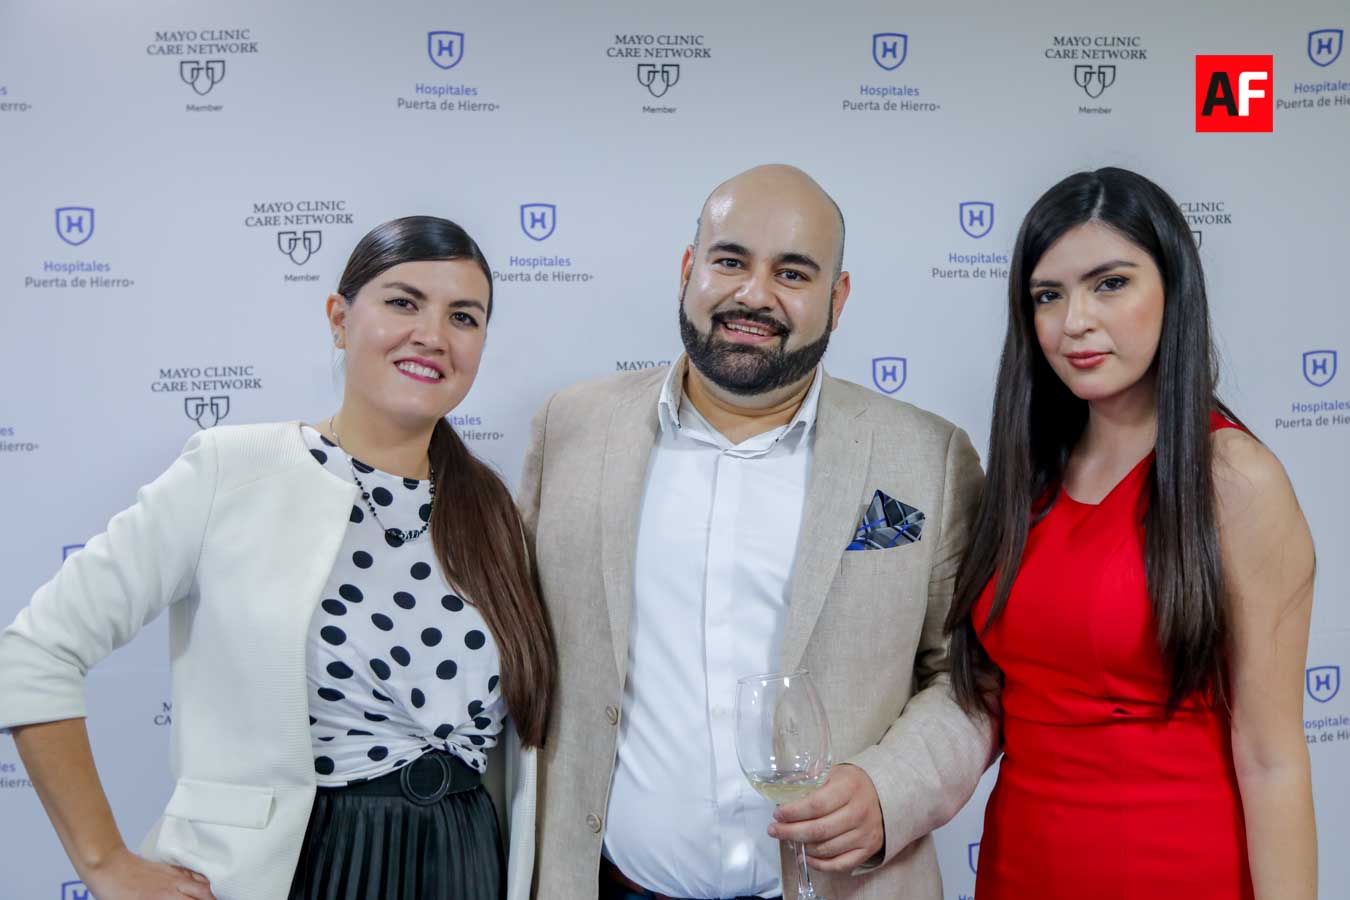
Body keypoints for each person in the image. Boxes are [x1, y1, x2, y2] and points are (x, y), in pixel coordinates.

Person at [0, 216, 555, 900]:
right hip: (299, 866)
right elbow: (36, 651)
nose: (432, 335)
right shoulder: (232, 471)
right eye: (403, 303)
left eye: (463, 317)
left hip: (466, 863)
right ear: (339, 319)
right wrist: (104, 862)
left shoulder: (494, 513)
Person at [520, 164, 995, 900]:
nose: (753, 294)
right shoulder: (571, 428)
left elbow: (970, 678)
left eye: (792, 273)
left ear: (837, 298)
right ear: (689, 269)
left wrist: (891, 789)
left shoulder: (928, 457)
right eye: (730, 261)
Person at [945, 167, 1318, 899]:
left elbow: (1272, 758)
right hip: (1018, 866)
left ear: (1175, 288)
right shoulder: (1026, 475)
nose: (1074, 321)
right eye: (1047, 295)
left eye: (1109, 284)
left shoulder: (1233, 477)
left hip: (1174, 868)